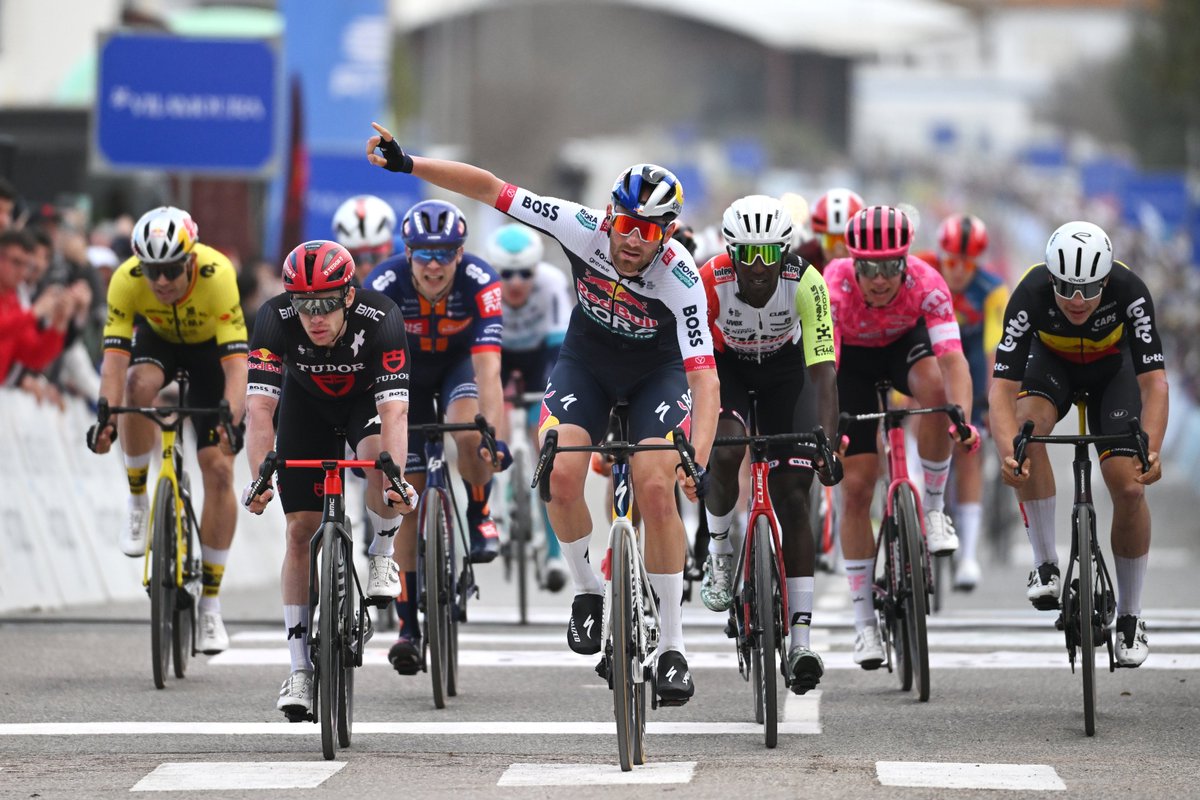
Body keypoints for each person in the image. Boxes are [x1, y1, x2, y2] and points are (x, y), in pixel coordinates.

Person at [366, 123, 718, 706]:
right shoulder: (580, 227)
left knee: (658, 489)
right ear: (610, 215)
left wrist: (698, 461)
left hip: (659, 372)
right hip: (587, 361)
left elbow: (705, 377)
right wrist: (410, 165)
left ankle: (675, 646)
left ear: (669, 233)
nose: (632, 241)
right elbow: (490, 189)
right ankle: (589, 592)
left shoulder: (680, 278)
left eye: (649, 231)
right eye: (625, 224)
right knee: (557, 474)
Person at [241, 239, 416, 718]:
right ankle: (299, 669)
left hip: (365, 404)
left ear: (349, 297)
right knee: (299, 530)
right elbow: (259, 409)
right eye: (303, 305)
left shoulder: (382, 319)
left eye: (324, 305)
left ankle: (381, 553)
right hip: (307, 407)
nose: (314, 317)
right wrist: (261, 475)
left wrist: (395, 478)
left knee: (380, 463)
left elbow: (394, 412)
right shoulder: (273, 319)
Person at [989, 221, 1167, 668]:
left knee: (1127, 487)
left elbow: (1156, 385)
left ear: (1106, 279)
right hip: (1053, 367)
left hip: (1115, 371)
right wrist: (1007, 453)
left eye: (1089, 289)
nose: (1077, 300)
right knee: (1027, 434)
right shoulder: (1029, 293)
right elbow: (1000, 391)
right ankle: (1046, 563)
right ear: (1052, 277)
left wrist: (1155, 447)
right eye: (1066, 287)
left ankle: (1130, 616)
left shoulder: (1130, 289)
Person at [86, 206, 247, 655]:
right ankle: (139, 498)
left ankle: (210, 606)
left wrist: (230, 422)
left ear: (191, 259)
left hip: (210, 356)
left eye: (171, 269)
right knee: (137, 386)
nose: (160, 281)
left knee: (218, 470)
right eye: (152, 270)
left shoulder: (218, 275)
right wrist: (107, 418)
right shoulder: (126, 278)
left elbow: (237, 368)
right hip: (157, 343)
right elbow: (114, 362)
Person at [824, 204, 978, 669]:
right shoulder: (835, 283)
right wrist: (829, 429)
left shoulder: (927, 281)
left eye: (890, 266)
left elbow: (953, 361)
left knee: (934, 391)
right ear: (854, 263)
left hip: (902, 349)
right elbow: (825, 369)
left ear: (905, 261)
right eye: (868, 267)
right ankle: (864, 625)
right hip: (849, 362)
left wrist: (963, 420)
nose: (879, 279)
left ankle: (932, 511)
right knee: (854, 490)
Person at [697, 195, 840, 694]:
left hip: (787, 374)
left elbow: (823, 373)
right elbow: (686, 364)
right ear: (730, 252)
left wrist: (828, 443)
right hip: (726, 370)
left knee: (795, 496)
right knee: (726, 451)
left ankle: (801, 639)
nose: (757, 268)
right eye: (746, 255)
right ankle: (719, 552)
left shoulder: (807, 282)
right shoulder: (708, 280)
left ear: (785, 252)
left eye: (768, 255)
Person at [364, 199, 510, 675]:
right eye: (423, 253)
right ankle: (407, 626)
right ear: (407, 253)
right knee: (406, 492)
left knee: (470, 429)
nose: (433, 264)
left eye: (444, 253)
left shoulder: (481, 281)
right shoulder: (383, 284)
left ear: (460, 253)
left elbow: (489, 366)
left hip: (458, 366)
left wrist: (495, 434)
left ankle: (480, 510)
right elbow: (370, 368)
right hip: (402, 372)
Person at [914, 213, 1008, 590]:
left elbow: (993, 348)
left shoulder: (992, 290)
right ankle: (911, 490)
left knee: (969, 453)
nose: (958, 271)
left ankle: (968, 555)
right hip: (925, 354)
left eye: (967, 264)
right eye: (952, 261)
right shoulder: (923, 267)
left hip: (967, 358)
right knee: (914, 413)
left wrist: (990, 397)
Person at [485, 222, 572, 592]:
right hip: (498, 354)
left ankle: (553, 554)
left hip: (541, 357)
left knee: (546, 447)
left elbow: (560, 355)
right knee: (492, 422)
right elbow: (482, 362)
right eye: (506, 274)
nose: (516, 282)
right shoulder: (484, 288)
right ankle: (497, 508)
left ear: (537, 270)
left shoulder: (551, 284)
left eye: (525, 273)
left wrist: (549, 404)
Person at [0, 229, 69, 383]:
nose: (22, 272)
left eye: (26, 265)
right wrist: (34, 313)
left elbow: (33, 356)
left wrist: (58, 325)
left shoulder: (16, 301)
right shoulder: (24, 309)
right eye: (16, 262)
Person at [331, 194, 398, 284]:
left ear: (390, 247)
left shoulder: (409, 263)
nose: (365, 268)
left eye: (373, 257)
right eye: (356, 259)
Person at [794, 188, 864, 272]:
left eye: (846, 240)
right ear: (818, 241)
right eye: (830, 240)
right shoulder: (800, 263)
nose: (839, 252)